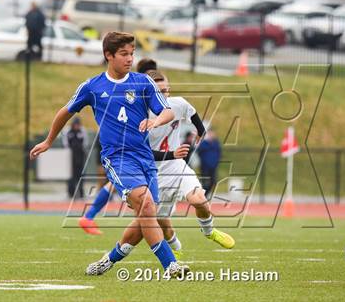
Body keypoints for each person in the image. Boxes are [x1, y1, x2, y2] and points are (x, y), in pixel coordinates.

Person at [30, 31, 189, 277]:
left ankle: (108, 260)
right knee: (146, 204)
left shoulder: (143, 82)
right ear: (108, 55)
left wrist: (155, 122)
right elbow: (65, 111)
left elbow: (167, 111)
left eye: (132, 54)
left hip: (145, 159)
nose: (129, 59)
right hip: (117, 158)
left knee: (147, 216)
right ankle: (171, 265)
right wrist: (49, 140)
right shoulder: (92, 87)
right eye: (124, 54)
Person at [84, 70, 234, 276]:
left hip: (176, 167)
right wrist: (172, 153)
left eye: (167, 90)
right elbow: (142, 153)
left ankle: (208, 232)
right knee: (144, 226)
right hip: (150, 172)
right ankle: (109, 260)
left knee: (199, 200)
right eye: (160, 91)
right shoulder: (137, 116)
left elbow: (191, 113)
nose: (166, 95)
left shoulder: (176, 104)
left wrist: (200, 132)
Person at [78, 57, 159, 234]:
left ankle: (90, 216)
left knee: (115, 186)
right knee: (150, 211)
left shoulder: (143, 86)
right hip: (124, 146)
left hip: (130, 146)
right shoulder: (138, 87)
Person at [62, 117, 88, 199]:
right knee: (70, 175)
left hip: (80, 156)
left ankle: (81, 193)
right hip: (71, 156)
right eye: (75, 125)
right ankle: (71, 193)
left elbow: (85, 143)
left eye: (78, 125)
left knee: (80, 175)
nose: (77, 126)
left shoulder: (82, 131)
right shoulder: (68, 131)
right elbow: (65, 143)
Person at [197, 129, 221, 198]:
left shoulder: (216, 143)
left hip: (213, 167)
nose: (211, 135)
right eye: (210, 134)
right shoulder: (203, 143)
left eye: (212, 134)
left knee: (213, 182)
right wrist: (204, 161)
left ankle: (205, 195)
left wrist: (216, 161)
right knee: (205, 182)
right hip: (205, 167)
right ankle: (202, 196)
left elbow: (219, 153)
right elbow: (199, 152)